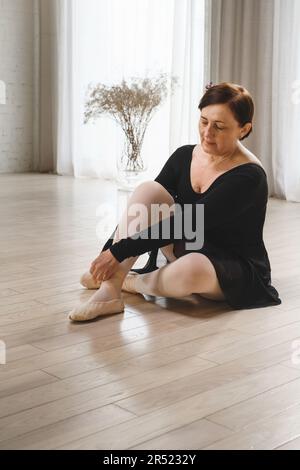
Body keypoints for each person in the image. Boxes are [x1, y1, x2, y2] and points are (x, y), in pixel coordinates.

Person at [69, 82, 281, 322]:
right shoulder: (184, 155)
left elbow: (190, 222)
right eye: (203, 121)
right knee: (149, 189)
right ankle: (110, 291)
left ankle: (132, 282)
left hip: (228, 267)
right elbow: (142, 212)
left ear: (243, 129)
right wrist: (107, 255)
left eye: (219, 126)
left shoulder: (249, 176)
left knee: (191, 268)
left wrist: (117, 254)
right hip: (186, 246)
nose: (207, 132)